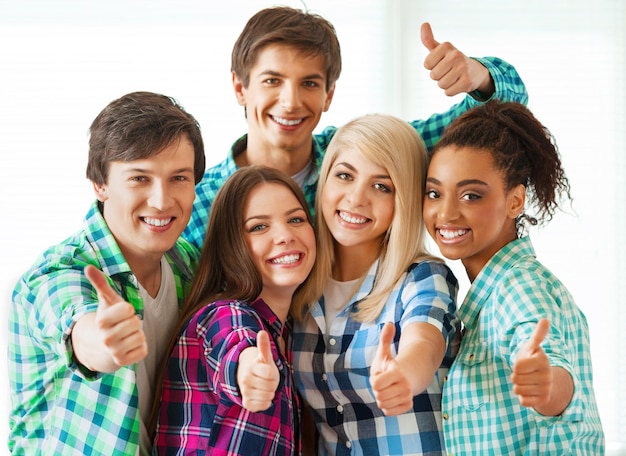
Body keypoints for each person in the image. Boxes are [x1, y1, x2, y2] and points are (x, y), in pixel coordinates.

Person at [182, 5, 529, 249]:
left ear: (329, 94)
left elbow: (504, 112)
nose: (290, 102)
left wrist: (477, 77)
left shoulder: (359, 156)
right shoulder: (199, 203)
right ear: (240, 88)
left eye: (310, 84)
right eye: (272, 81)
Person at [8, 91, 206, 455]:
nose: (162, 200)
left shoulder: (189, 265)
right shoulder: (57, 272)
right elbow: (75, 322)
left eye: (178, 177)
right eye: (139, 179)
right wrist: (101, 342)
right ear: (100, 185)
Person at [422, 100, 605, 454]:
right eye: (434, 193)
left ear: (515, 202)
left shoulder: (518, 287)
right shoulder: (488, 296)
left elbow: (553, 375)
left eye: (471, 195)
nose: (445, 212)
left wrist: (545, 384)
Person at [292, 114, 460, 455]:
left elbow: (424, 344)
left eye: (381, 186)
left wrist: (404, 375)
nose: (356, 198)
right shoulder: (299, 290)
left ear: (405, 199)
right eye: (344, 175)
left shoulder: (423, 278)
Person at [151, 166, 318, 455]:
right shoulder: (225, 313)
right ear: (231, 246)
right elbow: (239, 346)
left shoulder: (289, 331)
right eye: (259, 226)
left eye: (296, 219)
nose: (284, 235)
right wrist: (251, 371)